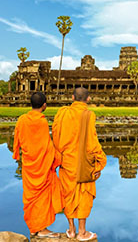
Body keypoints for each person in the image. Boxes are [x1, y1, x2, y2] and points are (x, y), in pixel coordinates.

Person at [52, 87, 107, 241]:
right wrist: (101, 161)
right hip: (83, 163)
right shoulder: (88, 115)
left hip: (66, 161)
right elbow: (92, 142)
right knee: (83, 194)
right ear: (88, 99)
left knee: (68, 194)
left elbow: (55, 136)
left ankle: (71, 229)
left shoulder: (62, 113)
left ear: (72, 97)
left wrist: (60, 155)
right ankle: (82, 232)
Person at [13, 92, 63, 238]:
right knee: (42, 196)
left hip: (29, 165)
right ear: (44, 105)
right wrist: (57, 158)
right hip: (41, 166)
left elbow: (17, 139)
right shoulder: (41, 122)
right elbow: (46, 146)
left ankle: (35, 228)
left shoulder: (22, 120)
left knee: (31, 197)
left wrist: (17, 153)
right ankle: (40, 229)